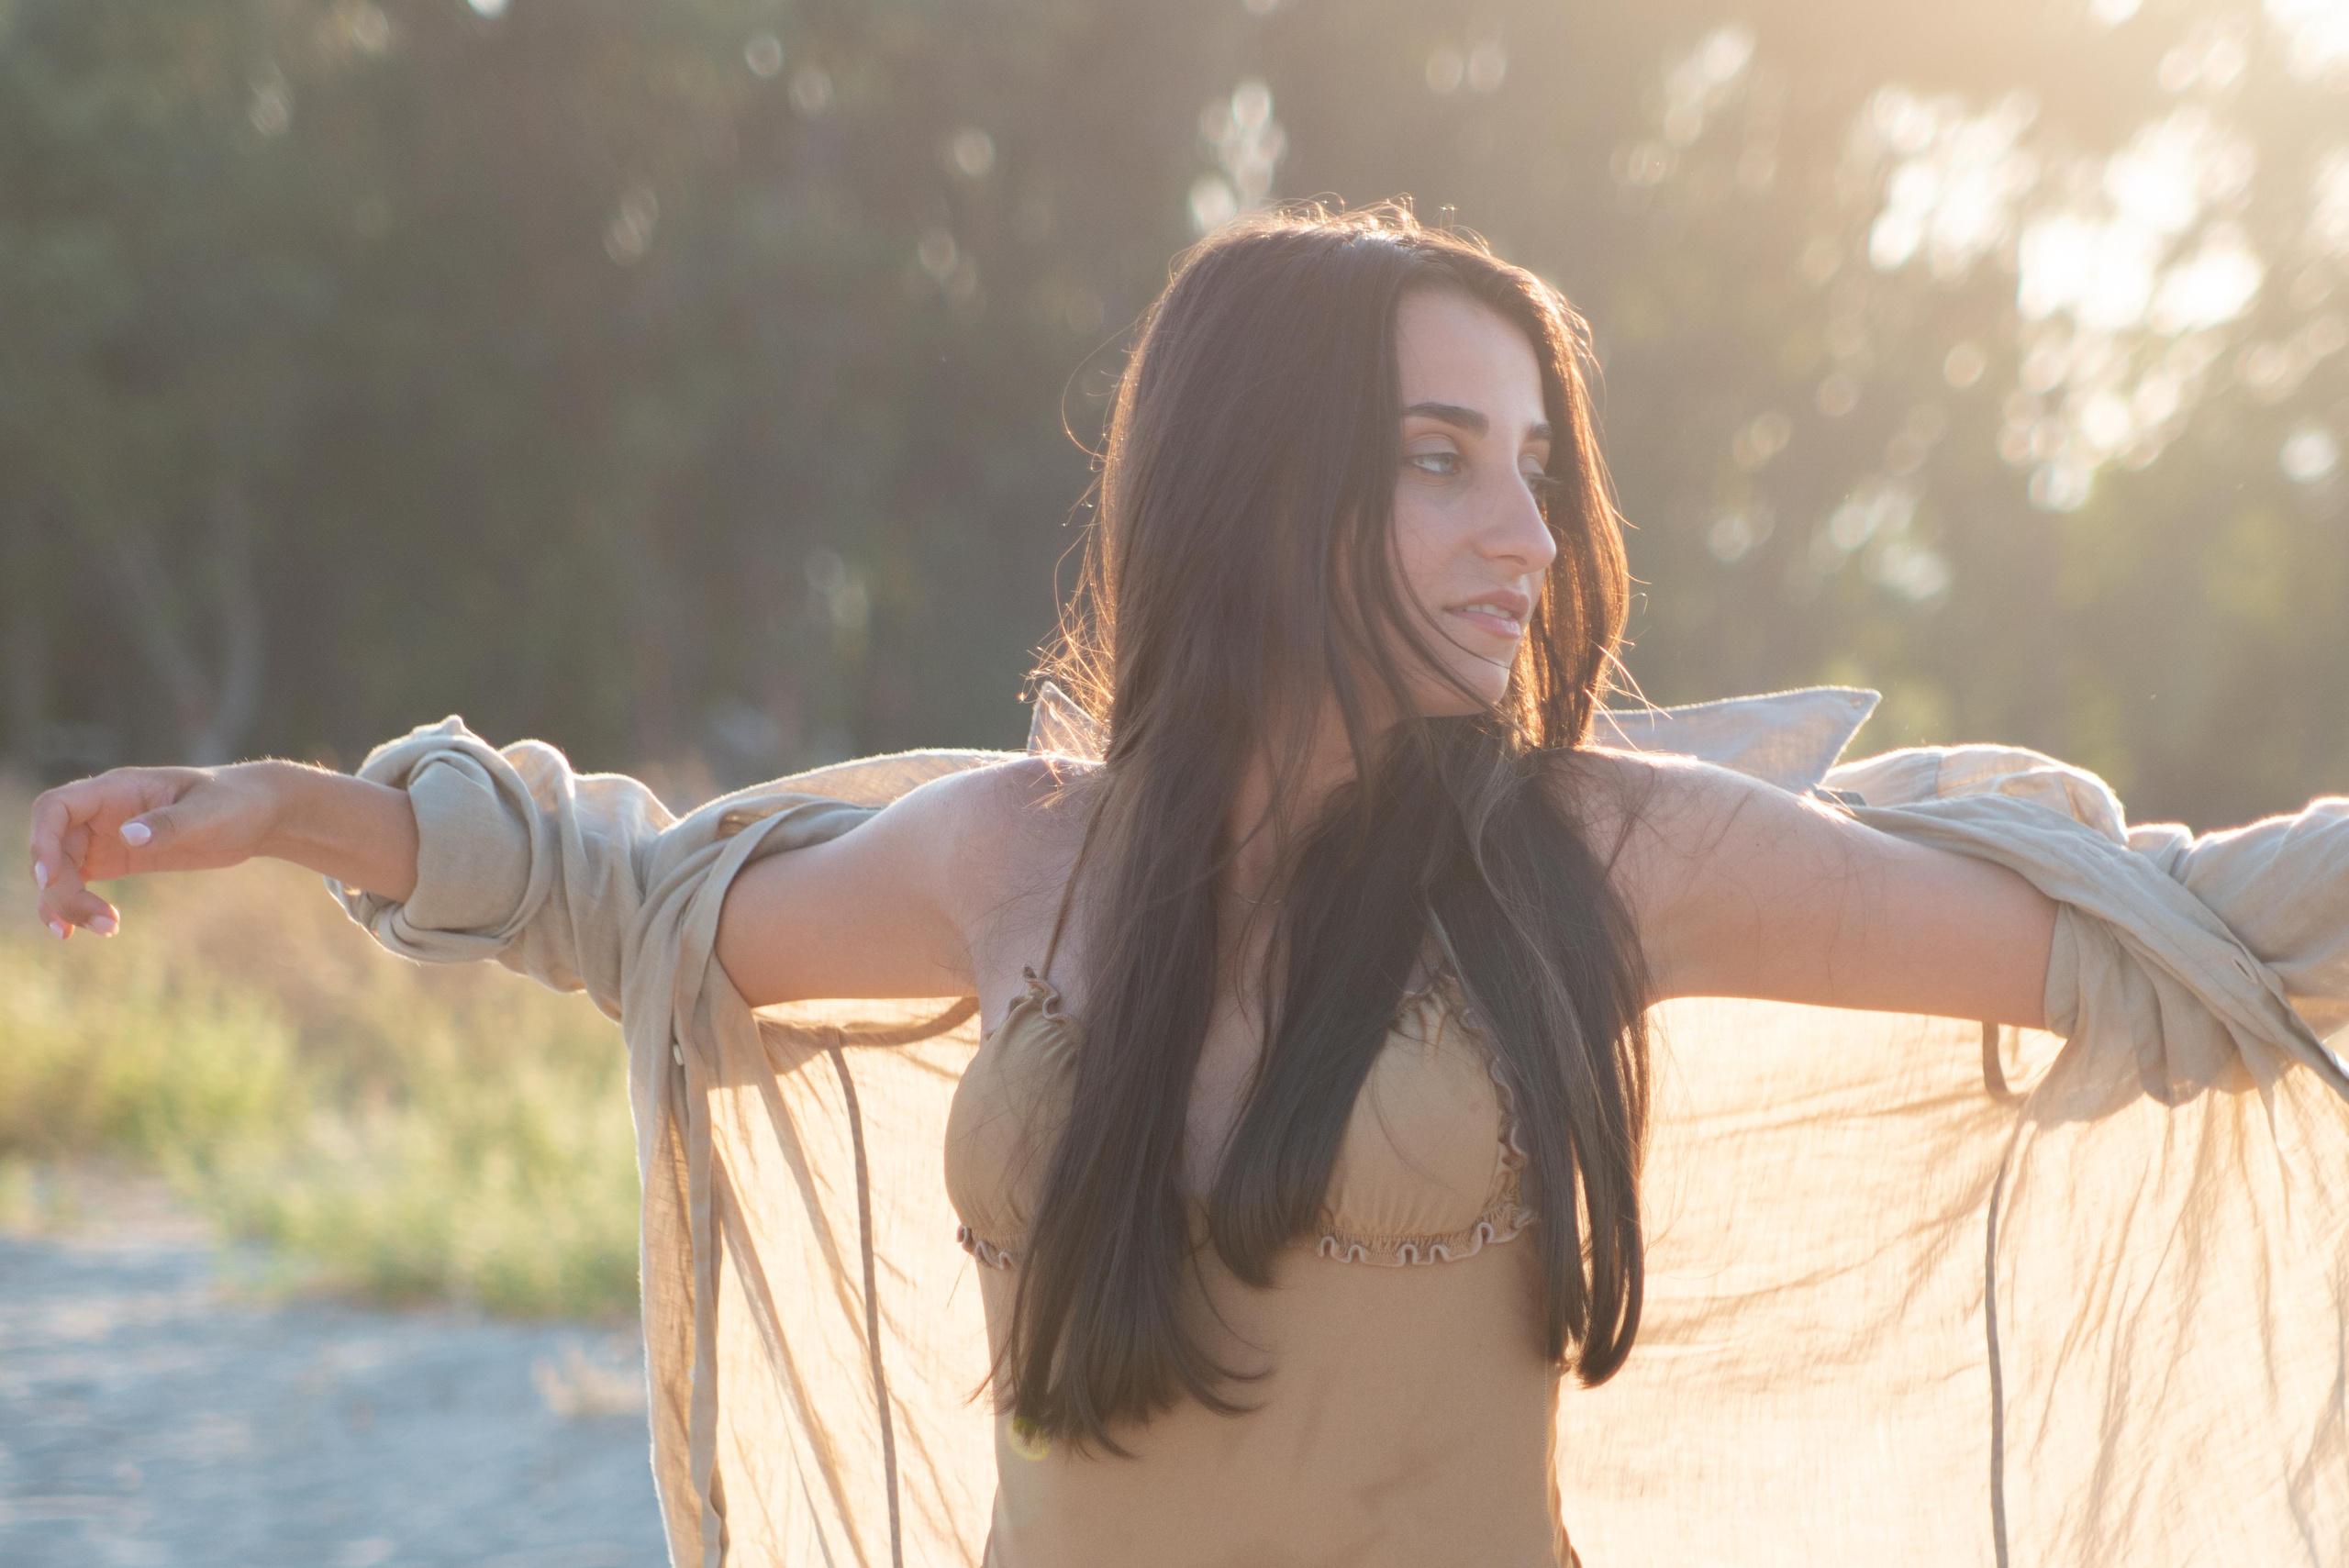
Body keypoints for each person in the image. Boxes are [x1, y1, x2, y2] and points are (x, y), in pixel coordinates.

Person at [22, 206, 2343, 1568]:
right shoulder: (1017, 856)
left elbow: (2163, 924)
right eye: (1439, 459)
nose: (1524, 534)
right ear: (1251, 480)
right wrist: (301, 811)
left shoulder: (1593, 849)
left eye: (1535, 467)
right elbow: (636, 909)